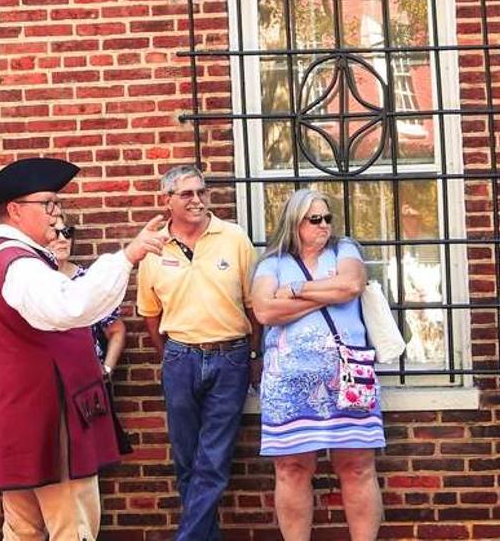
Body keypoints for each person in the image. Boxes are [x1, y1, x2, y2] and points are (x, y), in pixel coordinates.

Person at [0, 157, 169, 541]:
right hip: (49, 420)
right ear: (16, 210)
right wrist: (128, 257)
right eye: (49, 204)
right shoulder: (19, 266)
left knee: (23, 531)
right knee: (72, 528)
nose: (57, 215)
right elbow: (72, 306)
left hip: (14, 417)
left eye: (59, 205)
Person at [249, 188, 383, 541]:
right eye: (315, 219)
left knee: (357, 467)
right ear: (295, 223)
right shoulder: (271, 263)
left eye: (327, 218)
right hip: (288, 383)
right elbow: (263, 311)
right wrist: (325, 293)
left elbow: (352, 284)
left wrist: (293, 292)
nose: (324, 225)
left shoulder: (344, 250)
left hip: (348, 376)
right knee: (292, 469)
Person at [134, 165, 258, 541]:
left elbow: (255, 307)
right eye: (187, 194)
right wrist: (171, 354)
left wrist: (254, 357)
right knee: (187, 460)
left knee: (214, 460)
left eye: (202, 192)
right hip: (180, 358)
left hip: (231, 357)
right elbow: (151, 316)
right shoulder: (154, 248)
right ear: (167, 201)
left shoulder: (234, 238)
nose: (197, 200)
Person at [47, 222, 126, 380]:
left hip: (87, 379)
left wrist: (107, 370)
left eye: (67, 232)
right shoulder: (33, 280)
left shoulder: (87, 280)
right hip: (48, 379)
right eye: (55, 233)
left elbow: (116, 330)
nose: (63, 239)